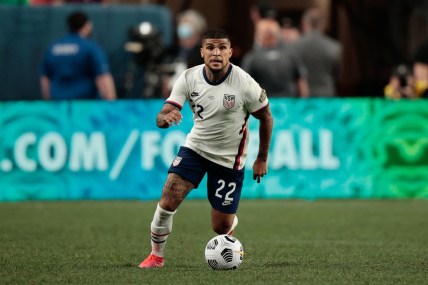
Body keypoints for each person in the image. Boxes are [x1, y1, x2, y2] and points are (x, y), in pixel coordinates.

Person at [138, 28, 273, 268]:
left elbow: (266, 117)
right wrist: (165, 119)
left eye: (222, 47)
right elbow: (162, 115)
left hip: (229, 159)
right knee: (168, 199)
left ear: (231, 52)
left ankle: (228, 220)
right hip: (196, 149)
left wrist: (262, 157)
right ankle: (156, 256)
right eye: (210, 47)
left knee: (220, 227)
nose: (216, 53)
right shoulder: (189, 78)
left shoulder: (244, 82)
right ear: (202, 52)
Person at [40, 11, 116, 100]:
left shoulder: (53, 48)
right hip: (84, 107)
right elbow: (103, 78)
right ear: (87, 25)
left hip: (58, 107)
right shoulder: (90, 47)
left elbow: (45, 79)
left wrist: (49, 102)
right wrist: (111, 103)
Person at [241, 18, 309, 97]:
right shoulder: (290, 53)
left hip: (263, 106)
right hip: (287, 105)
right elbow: (301, 82)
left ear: (261, 35)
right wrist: (303, 104)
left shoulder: (252, 57)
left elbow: (243, 86)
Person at [291, 7, 342, 97]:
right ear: (323, 24)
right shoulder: (335, 47)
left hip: (302, 97)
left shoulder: (294, 46)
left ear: (304, 23)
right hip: (327, 96)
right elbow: (338, 75)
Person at [162, 9, 207, 97]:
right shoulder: (172, 50)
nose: (182, 27)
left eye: (187, 24)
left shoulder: (203, 54)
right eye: (181, 24)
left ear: (197, 31)